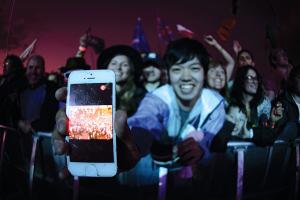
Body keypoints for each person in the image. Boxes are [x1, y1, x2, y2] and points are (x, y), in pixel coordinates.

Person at [123, 38, 226, 200]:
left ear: (205, 73)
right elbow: (145, 121)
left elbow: (212, 138)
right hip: (158, 182)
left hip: (202, 185)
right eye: (177, 69)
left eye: (194, 68)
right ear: (169, 74)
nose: (186, 77)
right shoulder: (158, 99)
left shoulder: (215, 103)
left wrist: (202, 147)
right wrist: (131, 146)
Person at [97, 44, 145, 117]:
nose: (118, 68)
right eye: (113, 63)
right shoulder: (97, 94)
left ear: (132, 70)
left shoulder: (142, 97)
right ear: (106, 68)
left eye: (124, 65)